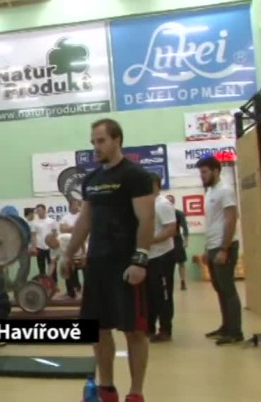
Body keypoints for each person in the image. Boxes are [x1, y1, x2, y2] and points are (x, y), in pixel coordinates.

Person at [62, 119, 154, 402]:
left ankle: (136, 393)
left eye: (101, 141)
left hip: (126, 264)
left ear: (117, 140)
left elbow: (146, 219)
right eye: (93, 142)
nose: (96, 147)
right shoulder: (91, 180)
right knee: (99, 330)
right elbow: (85, 221)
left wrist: (140, 260)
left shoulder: (135, 176)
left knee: (134, 331)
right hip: (97, 264)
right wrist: (68, 254)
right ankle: (107, 388)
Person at [197, 156, 242, 345]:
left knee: (228, 289)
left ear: (216, 171)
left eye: (204, 172)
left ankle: (235, 332)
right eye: (200, 172)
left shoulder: (225, 190)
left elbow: (231, 219)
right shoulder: (211, 192)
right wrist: (208, 249)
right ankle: (226, 326)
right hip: (213, 246)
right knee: (220, 289)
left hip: (224, 246)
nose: (202, 175)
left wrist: (224, 249)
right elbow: (212, 223)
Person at [146, 174, 177, 343]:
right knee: (149, 295)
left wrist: (150, 240)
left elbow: (171, 229)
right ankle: (149, 328)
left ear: (157, 185)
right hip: (148, 257)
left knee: (163, 295)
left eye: (150, 183)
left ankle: (165, 329)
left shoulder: (163, 204)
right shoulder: (145, 204)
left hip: (162, 256)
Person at [49, 232, 84, 300]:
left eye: (51, 245)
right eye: (49, 246)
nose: (51, 247)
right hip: (70, 258)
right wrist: (48, 276)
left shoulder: (66, 237)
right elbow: (52, 263)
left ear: (54, 239)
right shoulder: (52, 248)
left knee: (84, 272)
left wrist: (84, 253)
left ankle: (79, 291)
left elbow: (80, 240)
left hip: (80, 254)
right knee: (65, 269)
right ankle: (71, 293)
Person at [165, 195, 189, 290]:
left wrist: (186, 240)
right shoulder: (162, 213)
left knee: (181, 262)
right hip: (165, 239)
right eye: (167, 201)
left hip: (177, 239)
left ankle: (183, 281)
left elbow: (185, 227)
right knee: (166, 263)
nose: (168, 203)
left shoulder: (179, 213)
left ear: (173, 202)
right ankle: (167, 282)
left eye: (170, 201)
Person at [32, 204, 58, 283]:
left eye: (40, 210)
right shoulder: (35, 223)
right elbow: (33, 235)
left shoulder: (51, 221)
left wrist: (54, 244)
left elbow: (55, 233)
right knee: (41, 267)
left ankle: (54, 283)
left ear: (44, 210)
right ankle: (43, 284)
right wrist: (34, 247)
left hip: (50, 247)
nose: (38, 212)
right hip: (40, 247)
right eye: (37, 210)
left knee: (53, 266)